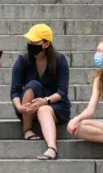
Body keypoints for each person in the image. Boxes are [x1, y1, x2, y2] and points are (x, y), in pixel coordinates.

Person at [10, 23, 71, 160]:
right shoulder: (23, 61)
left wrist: (45, 101)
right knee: (32, 85)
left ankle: (52, 148)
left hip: (56, 105)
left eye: (35, 42)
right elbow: (15, 90)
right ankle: (27, 129)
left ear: (46, 44)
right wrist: (19, 107)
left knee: (43, 109)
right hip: (28, 106)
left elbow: (62, 91)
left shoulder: (59, 60)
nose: (31, 44)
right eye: (29, 41)